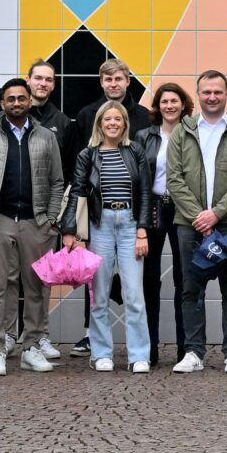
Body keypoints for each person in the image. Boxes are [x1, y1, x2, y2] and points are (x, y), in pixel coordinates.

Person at [0, 78, 67, 376]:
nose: (17, 103)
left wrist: (49, 219)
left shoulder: (46, 137)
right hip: (1, 221)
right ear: (2, 104)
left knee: (36, 288)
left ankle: (31, 348)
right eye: (10, 99)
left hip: (37, 223)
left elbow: (58, 182)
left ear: (29, 101)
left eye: (21, 98)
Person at [165, 70, 227, 375]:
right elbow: (174, 178)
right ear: (198, 94)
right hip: (188, 223)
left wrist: (216, 213)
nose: (212, 97)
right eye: (206, 92)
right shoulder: (183, 130)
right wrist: (198, 216)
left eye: (218, 91)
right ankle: (193, 352)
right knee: (191, 288)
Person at [62, 101, 153, 372]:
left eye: (118, 119)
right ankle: (101, 353)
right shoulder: (87, 155)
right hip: (98, 226)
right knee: (98, 295)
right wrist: (72, 232)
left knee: (134, 295)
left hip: (129, 225)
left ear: (125, 123)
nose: (112, 123)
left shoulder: (135, 150)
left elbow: (146, 193)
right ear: (99, 124)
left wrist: (142, 230)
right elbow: (77, 192)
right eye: (107, 119)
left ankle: (139, 356)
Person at [135, 82, 192, 368]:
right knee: (149, 280)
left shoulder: (193, 133)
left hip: (183, 208)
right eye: (164, 101)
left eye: (174, 101)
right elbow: (137, 178)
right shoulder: (144, 136)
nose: (170, 106)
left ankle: (186, 348)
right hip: (153, 207)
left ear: (183, 104)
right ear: (157, 107)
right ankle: (150, 347)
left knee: (184, 280)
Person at [66, 58, 151, 175]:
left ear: (128, 81)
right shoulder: (85, 115)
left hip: (133, 188)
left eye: (118, 79)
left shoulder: (145, 116)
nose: (113, 84)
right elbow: (77, 159)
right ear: (101, 82)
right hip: (95, 188)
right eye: (108, 79)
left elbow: (148, 159)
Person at [26, 60, 71, 147]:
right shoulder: (8, 118)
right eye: (38, 78)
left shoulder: (63, 122)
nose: (43, 84)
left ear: (53, 85)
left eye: (48, 80)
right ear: (28, 80)